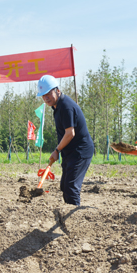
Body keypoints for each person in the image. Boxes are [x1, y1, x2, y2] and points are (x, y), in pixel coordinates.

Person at [40, 75, 94, 206]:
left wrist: (57, 150)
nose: (46, 98)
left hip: (80, 152)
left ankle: (75, 220)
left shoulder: (66, 107)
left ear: (57, 90)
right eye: (43, 95)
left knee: (71, 188)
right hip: (70, 152)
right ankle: (69, 214)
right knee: (65, 186)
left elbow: (70, 133)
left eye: (49, 94)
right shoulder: (57, 106)